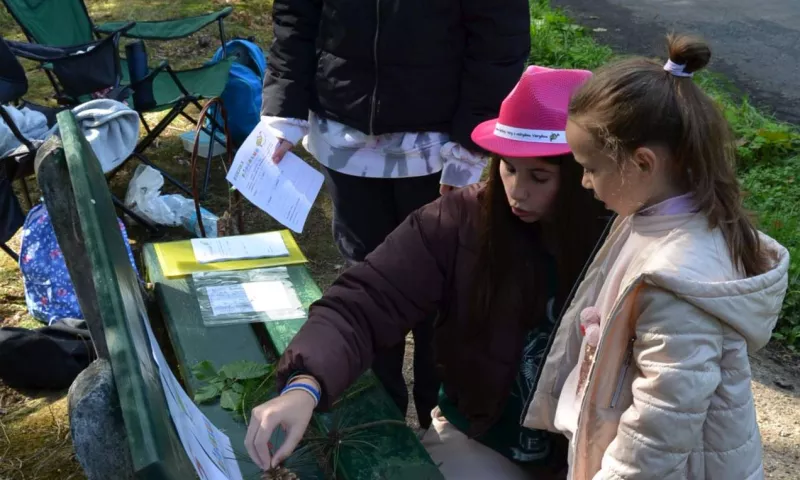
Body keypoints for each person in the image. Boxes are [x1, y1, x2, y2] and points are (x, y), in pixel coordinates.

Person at [245, 66, 610, 478]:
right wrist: (304, 383)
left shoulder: (623, 235)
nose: (516, 192)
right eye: (506, 168)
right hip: (483, 433)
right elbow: (367, 298)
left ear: (587, 172)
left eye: (539, 176)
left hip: (595, 455)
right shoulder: (462, 220)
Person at [522, 34, 790, 479]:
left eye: (590, 168)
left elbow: (661, 425)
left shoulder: (678, 277)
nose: (585, 183)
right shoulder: (650, 215)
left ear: (642, 163)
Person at [260, 0, 532, 427]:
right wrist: (284, 107)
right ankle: (378, 423)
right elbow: (297, 18)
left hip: (437, 145)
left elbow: (498, 39)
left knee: (442, 289)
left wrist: (470, 145)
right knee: (367, 274)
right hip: (344, 134)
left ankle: (439, 424)